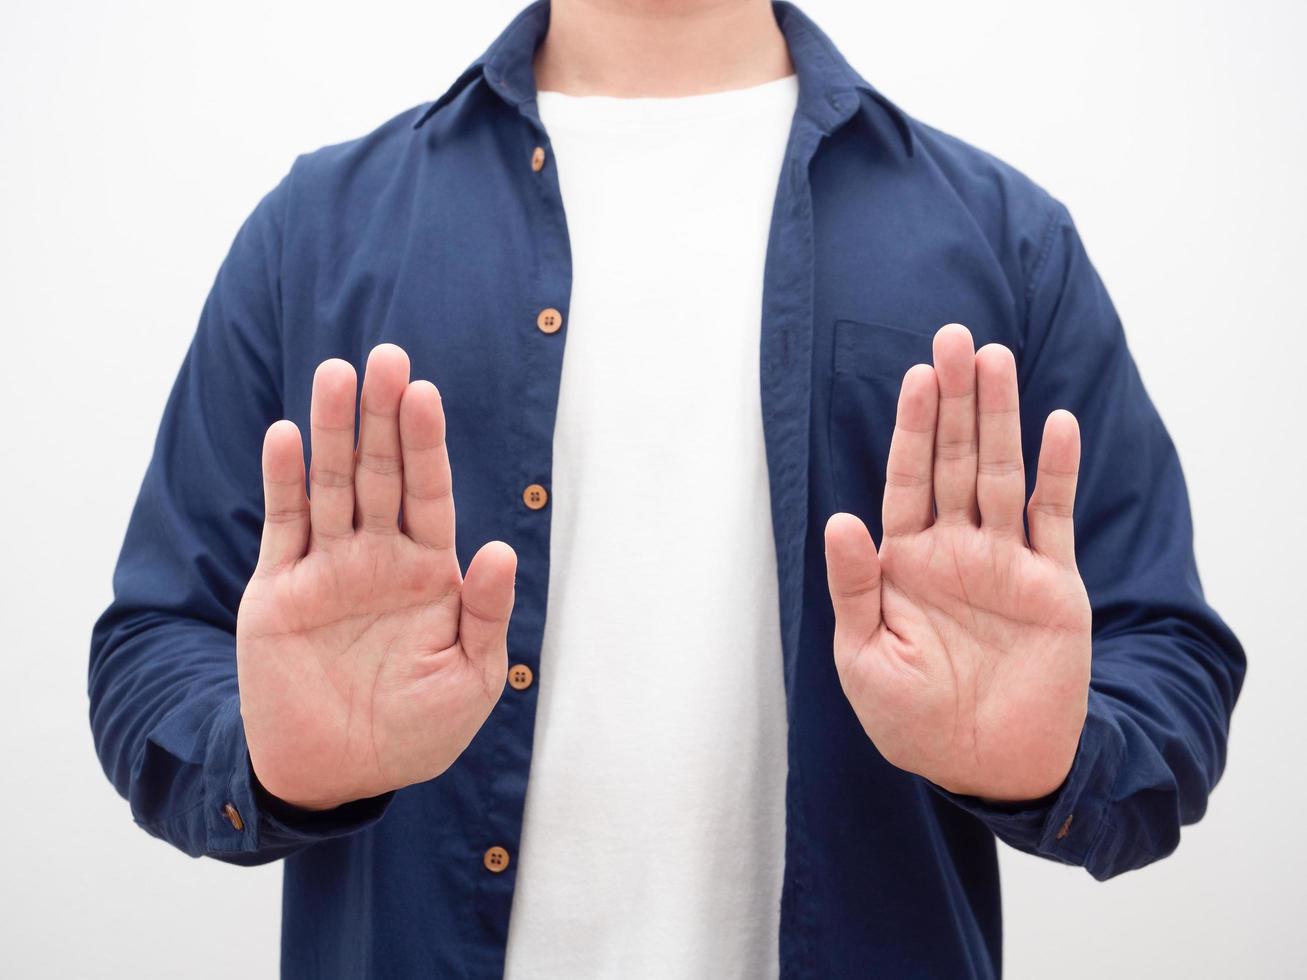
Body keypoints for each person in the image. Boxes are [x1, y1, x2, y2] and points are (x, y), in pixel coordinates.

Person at [87, 1, 1246, 976]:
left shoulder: (1003, 239)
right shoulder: (317, 232)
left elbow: (1165, 665)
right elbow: (153, 645)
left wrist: (1043, 760)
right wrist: (276, 762)